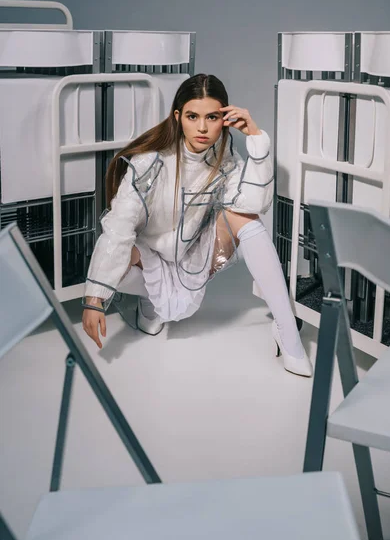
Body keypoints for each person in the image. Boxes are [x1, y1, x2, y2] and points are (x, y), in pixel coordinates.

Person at [82, 74, 312, 377]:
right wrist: (94, 299)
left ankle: (287, 331)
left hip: (192, 256)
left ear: (225, 119)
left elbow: (253, 205)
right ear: (178, 117)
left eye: (212, 117)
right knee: (121, 251)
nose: (202, 128)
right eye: (193, 116)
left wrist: (256, 138)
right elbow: (119, 229)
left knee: (246, 219)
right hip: (147, 256)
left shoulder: (225, 157)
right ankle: (150, 302)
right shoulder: (149, 162)